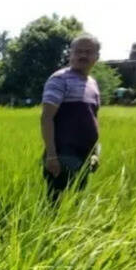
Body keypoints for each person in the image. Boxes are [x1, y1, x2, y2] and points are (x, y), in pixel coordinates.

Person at [41, 34, 103, 204]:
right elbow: (47, 118)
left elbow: (93, 119)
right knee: (54, 205)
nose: (83, 55)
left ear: (96, 57)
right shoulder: (59, 79)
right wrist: (51, 156)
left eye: (88, 52)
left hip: (85, 156)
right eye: (78, 51)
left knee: (77, 204)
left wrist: (96, 152)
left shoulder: (92, 83)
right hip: (62, 155)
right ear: (70, 55)